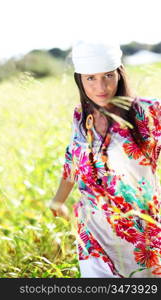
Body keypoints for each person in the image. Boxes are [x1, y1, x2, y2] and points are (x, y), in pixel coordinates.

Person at [49, 39, 161, 278]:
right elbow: (73, 161)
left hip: (140, 236)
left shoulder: (149, 111)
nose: (101, 86)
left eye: (108, 76)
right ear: (80, 79)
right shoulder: (81, 116)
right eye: (91, 78)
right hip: (93, 235)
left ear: (119, 74)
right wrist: (58, 200)